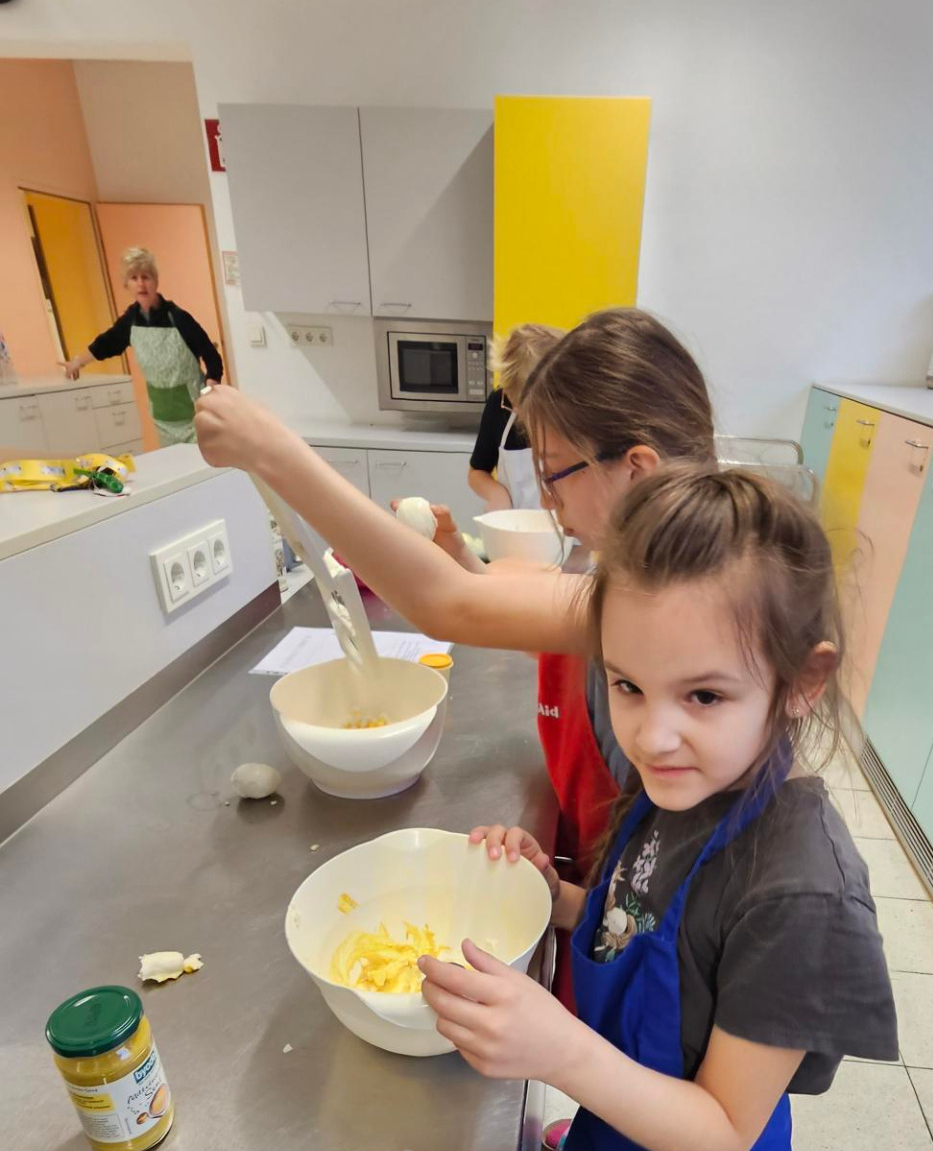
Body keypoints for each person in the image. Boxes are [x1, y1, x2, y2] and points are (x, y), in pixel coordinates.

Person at [418, 467, 898, 1151]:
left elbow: (724, 1129)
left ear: (800, 682)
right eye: (626, 685)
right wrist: (552, 894)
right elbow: (637, 923)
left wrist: (557, 1048)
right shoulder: (680, 791)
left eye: (704, 696)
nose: (653, 732)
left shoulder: (797, 892)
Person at [195, 307, 717, 889]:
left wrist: (271, 450)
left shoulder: (670, 595)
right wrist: (461, 558)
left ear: (636, 471)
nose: (549, 501)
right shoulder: (645, 569)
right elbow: (528, 611)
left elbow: (450, 605)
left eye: (554, 474)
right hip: (602, 886)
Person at [64, 246, 223, 446]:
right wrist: (77, 362)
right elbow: (105, 344)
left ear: (155, 281)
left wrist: (209, 392)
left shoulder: (178, 318)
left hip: (196, 416)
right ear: (127, 284)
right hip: (163, 417)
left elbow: (212, 357)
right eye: (134, 278)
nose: (141, 284)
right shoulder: (130, 322)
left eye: (146, 277)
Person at [468, 322, 561, 511]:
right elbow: (476, 472)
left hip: (568, 528)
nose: (526, 420)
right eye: (518, 407)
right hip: (513, 524)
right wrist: (497, 494)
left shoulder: (578, 417)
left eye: (537, 412)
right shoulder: (498, 404)